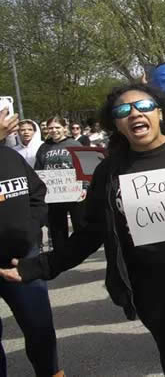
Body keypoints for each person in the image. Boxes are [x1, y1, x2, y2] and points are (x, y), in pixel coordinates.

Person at [0, 83, 165, 376]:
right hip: (147, 279)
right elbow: (90, 232)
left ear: (159, 113)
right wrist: (40, 266)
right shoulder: (109, 172)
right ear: (116, 123)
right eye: (123, 110)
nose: (134, 113)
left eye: (144, 106)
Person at [0, 110, 64, 377]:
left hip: (22, 259)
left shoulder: (10, 156)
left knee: (40, 329)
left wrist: (31, 226)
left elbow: (37, 193)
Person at [34, 116, 87, 253]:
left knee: (80, 223)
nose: (54, 130)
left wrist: (85, 187)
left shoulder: (74, 144)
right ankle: (61, 253)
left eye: (57, 127)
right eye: (51, 128)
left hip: (74, 191)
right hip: (53, 194)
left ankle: (80, 250)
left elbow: (85, 167)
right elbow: (38, 170)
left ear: (64, 128)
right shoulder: (44, 147)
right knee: (57, 226)